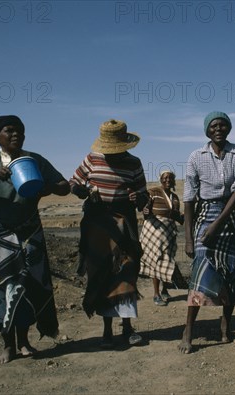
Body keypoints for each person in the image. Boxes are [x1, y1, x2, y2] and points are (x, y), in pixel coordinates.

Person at [0, 115, 70, 364]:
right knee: (1, 288)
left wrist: (46, 187)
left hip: (29, 232)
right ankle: (7, 345)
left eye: (21, 131)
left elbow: (65, 185)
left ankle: (25, 341)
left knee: (28, 286)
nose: (17, 134)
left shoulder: (34, 160)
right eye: (10, 130)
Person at [179, 111, 235, 354]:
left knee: (231, 271)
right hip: (206, 214)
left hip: (231, 215)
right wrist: (189, 238)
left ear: (229, 128)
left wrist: (218, 225)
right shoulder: (196, 156)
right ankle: (188, 330)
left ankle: (226, 324)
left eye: (223, 125)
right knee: (200, 271)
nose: (218, 129)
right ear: (207, 130)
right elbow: (190, 198)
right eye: (213, 126)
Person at [70, 119, 149, 348]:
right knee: (101, 272)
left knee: (126, 270)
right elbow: (74, 182)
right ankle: (106, 331)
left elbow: (144, 197)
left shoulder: (134, 163)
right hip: (97, 223)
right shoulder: (92, 159)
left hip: (125, 223)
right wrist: (81, 190)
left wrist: (138, 198)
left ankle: (127, 328)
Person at [139, 170, 188, 306]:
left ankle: (165, 289)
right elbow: (145, 207)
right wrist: (145, 211)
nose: (168, 180)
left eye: (171, 178)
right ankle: (156, 294)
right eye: (165, 178)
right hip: (154, 229)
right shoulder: (153, 192)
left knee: (167, 261)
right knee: (156, 260)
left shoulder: (175, 198)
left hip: (169, 232)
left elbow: (177, 217)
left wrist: (188, 216)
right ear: (160, 179)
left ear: (173, 181)